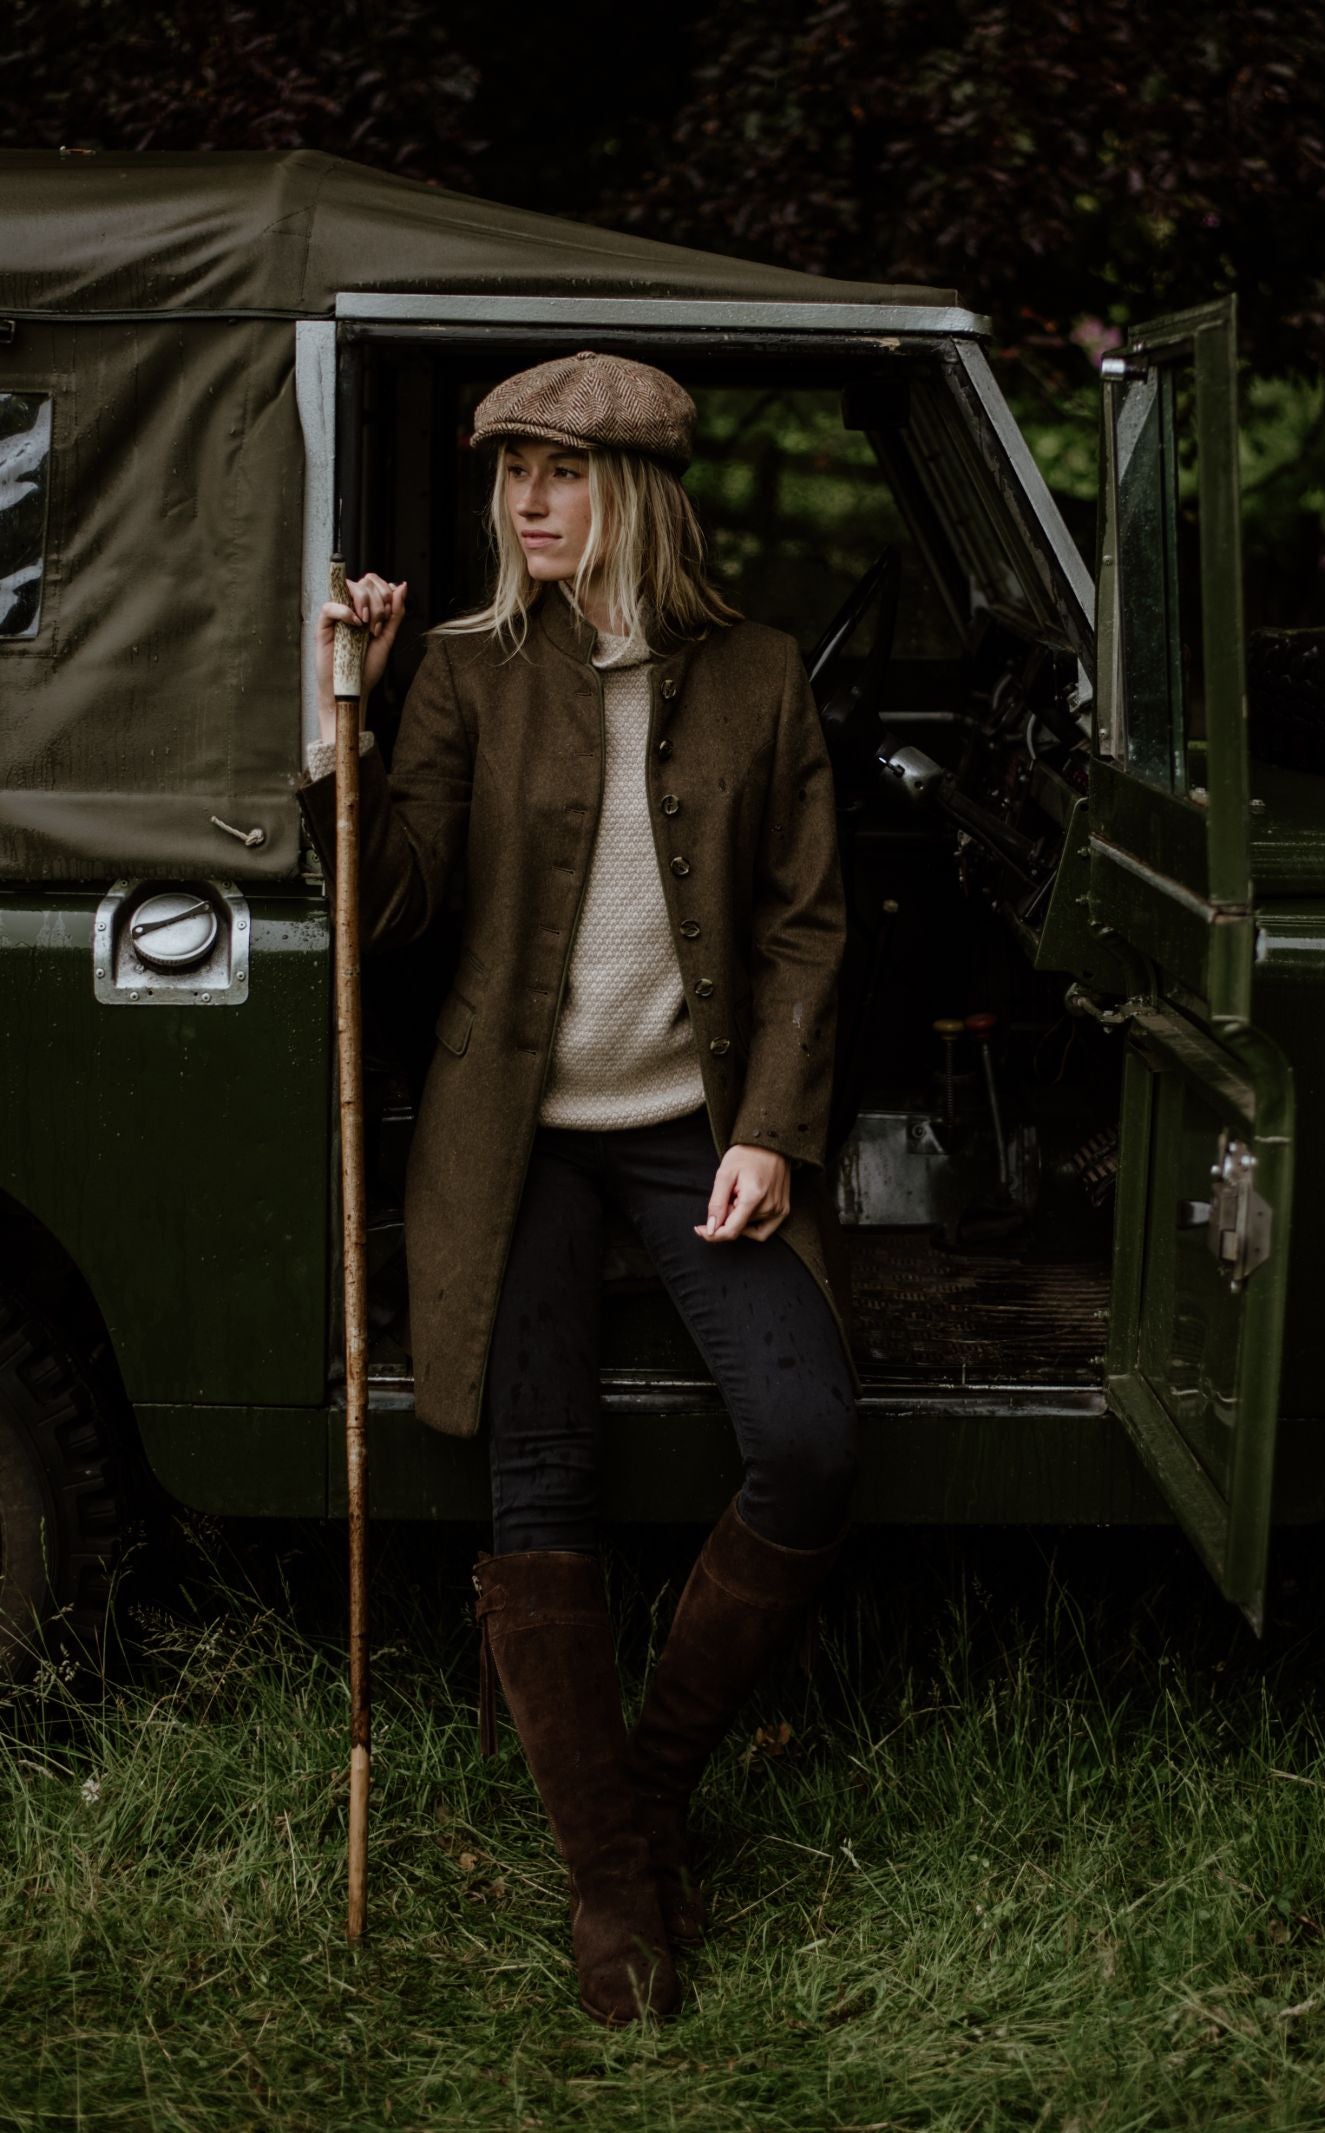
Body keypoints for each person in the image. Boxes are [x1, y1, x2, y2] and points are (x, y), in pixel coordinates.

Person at [297, 351, 860, 2027]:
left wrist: (771, 1124)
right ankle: (615, 1889)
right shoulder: (472, 672)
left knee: (812, 1435)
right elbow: (385, 906)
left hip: (697, 1125)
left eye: (564, 471)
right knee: (536, 1474)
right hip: (516, 1133)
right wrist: (350, 718)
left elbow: (806, 922)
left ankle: (649, 1791)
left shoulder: (757, 675)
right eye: (513, 473)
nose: (530, 502)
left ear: (641, 494)